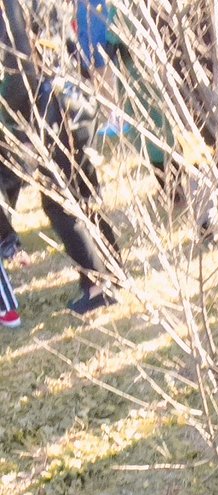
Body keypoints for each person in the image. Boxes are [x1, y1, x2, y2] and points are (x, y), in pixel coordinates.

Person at [0, 0, 119, 313]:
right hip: (74, 95)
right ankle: (112, 270)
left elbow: (20, 68)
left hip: (51, 108)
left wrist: (19, 126)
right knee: (84, 192)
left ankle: (97, 287)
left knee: (61, 201)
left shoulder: (11, 10)